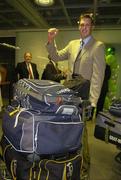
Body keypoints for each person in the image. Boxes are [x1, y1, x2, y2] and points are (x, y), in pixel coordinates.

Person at [46, 13, 106, 178]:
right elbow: (56, 56)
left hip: (83, 96)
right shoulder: (73, 44)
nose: (84, 27)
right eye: (81, 24)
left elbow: (97, 77)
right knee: (67, 126)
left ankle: (84, 167)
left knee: (82, 131)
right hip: (68, 93)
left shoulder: (98, 46)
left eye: (87, 24)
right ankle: (69, 160)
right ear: (78, 25)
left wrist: (92, 103)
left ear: (91, 26)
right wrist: (51, 41)